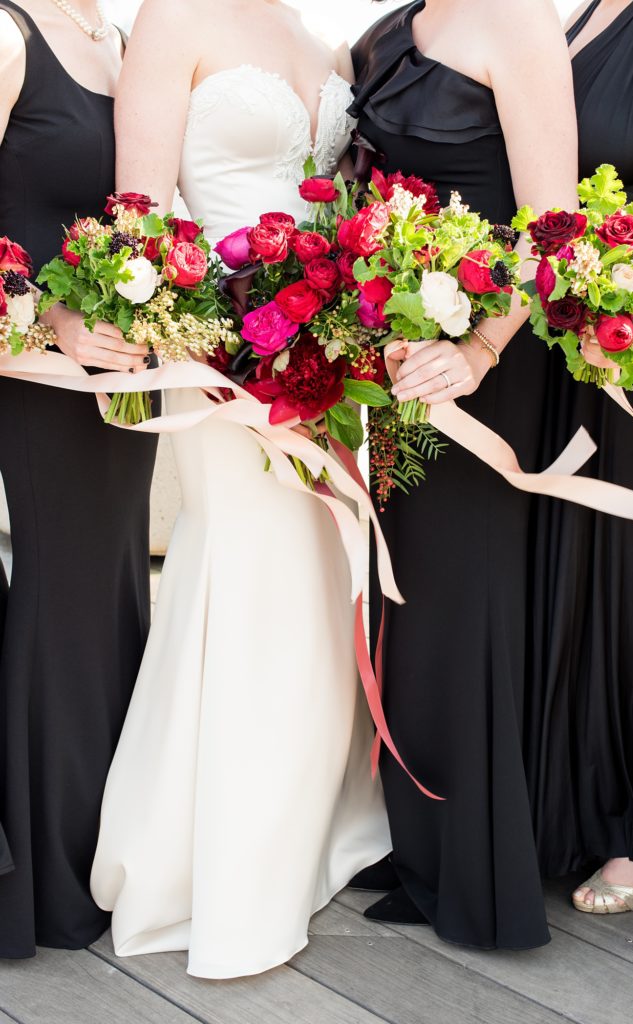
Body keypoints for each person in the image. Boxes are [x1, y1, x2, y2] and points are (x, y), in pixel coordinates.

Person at [89, 0, 391, 980]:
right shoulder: (172, 19)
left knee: (316, 583)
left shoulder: (316, 36)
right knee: (248, 575)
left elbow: (343, 202)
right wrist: (205, 339)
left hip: (327, 348)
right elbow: (138, 212)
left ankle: (310, 827)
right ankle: (219, 869)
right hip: (219, 353)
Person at [349, 0, 578, 949]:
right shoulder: (393, 25)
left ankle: (479, 874)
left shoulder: (519, 21)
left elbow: (554, 227)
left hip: (483, 363)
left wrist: (479, 350)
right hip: (403, 354)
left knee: (463, 598)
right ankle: (425, 848)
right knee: (410, 597)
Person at [0, 0, 157, 957]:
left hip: (125, 370)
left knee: (113, 590)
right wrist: (49, 318)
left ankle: (102, 850)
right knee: (61, 598)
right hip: (34, 370)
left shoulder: (124, 42)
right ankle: (43, 881)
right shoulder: (9, 35)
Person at [527, 0, 633, 914]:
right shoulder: (564, 19)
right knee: (576, 578)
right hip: (558, 356)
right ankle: (577, 802)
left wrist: (626, 309)